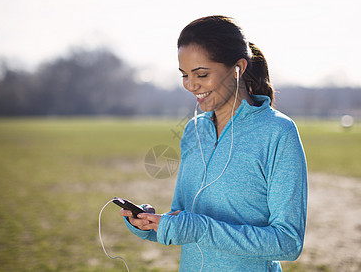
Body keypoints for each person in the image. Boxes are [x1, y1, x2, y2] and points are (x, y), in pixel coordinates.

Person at [120, 15, 308, 271]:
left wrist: (199, 228)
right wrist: (152, 224)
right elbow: (183, 219)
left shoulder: (278, 133)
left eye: (201, 74)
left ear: (238, 68)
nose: (190, 85)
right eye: (184, 75)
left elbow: (288, 242)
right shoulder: (193, 130)